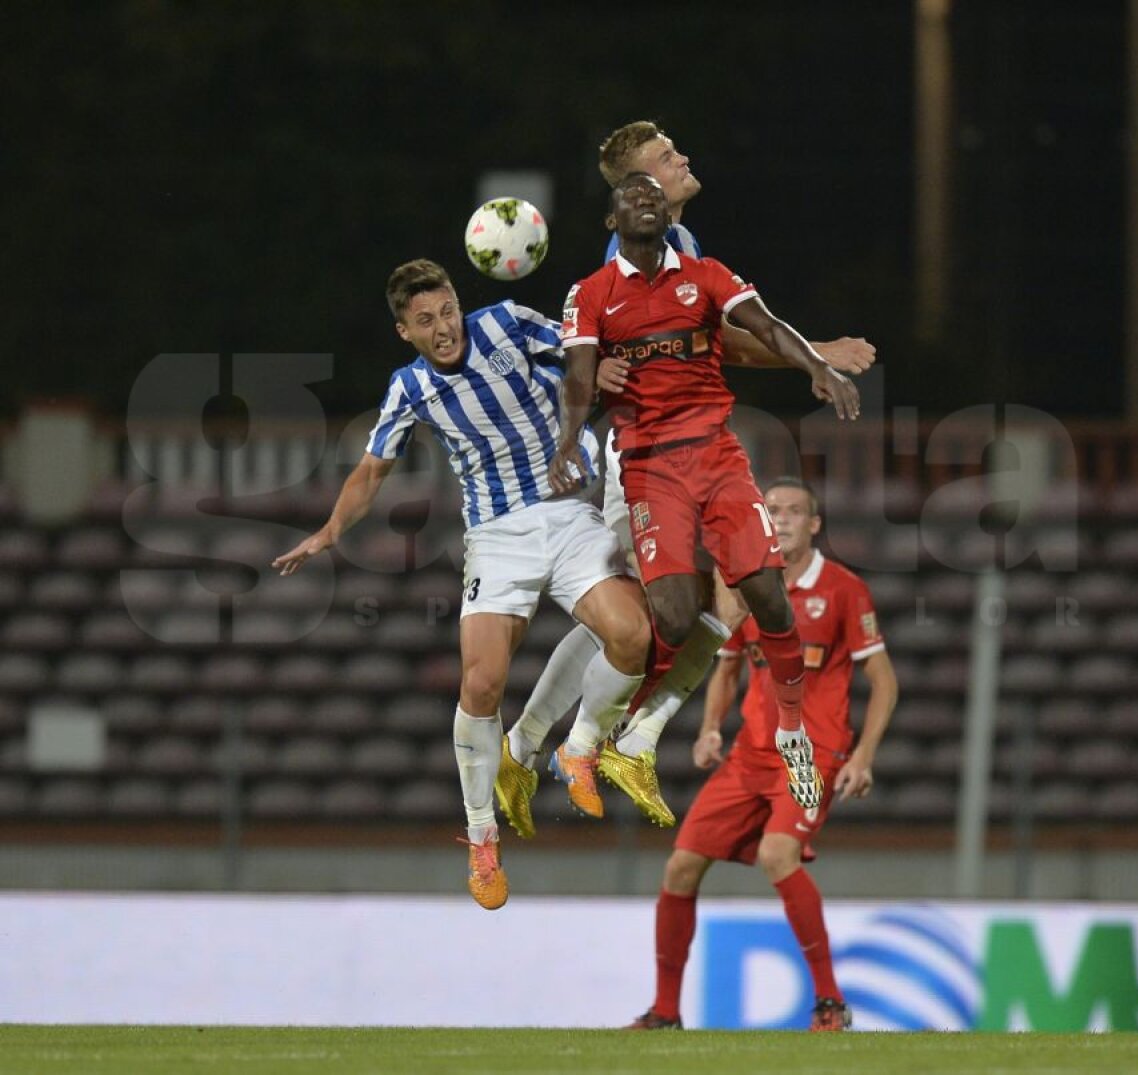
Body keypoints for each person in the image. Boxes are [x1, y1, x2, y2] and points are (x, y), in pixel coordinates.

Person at [496, 121, 875, 836]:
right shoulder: (622, 264)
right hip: (644, 455)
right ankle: (551, 741)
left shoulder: (687, 251)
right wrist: (816, 354)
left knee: (717, 604)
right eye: (665, 158)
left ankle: (619, 737)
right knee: (638, 618)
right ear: (631, 191)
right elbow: (721, 345)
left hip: (701, 450)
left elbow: (713, 335)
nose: (681, 160)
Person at [272, 259, 651, 911]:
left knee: (633, 635)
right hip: (498, 534)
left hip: (568, 512)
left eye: (447, 310)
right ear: (405, 331)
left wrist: (604, 367)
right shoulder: (409, 388)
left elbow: (579, 348)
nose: (443, 327)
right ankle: (481, 836)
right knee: (481, 683)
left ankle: (578, 747)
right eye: (425, 320)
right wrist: (331, 530)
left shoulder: (507, 323)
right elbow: (371, 471)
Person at [626, 477, 898, 1032]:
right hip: (750, 755)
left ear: (814, 525)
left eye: (794, 511)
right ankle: (665, 1011)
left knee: (778, 854)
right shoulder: (746, 586)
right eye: (772, 509)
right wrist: (709, 729)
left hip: (811, 756)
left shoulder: (843, 590)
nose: (782, 518)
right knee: (680, 866)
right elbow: (727, 667)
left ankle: (830, 1003)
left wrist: (862, 756)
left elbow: (885, 681)